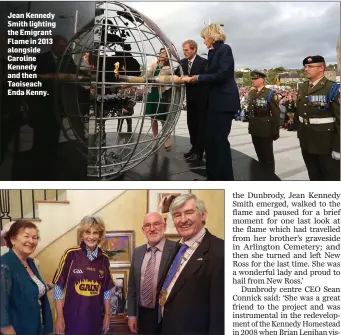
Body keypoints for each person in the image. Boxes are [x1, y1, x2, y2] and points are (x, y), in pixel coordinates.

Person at [158, 194, 224, 335]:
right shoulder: (177, 248)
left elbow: (220, 313)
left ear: (203, 215)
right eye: (177, 215)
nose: (183, 220)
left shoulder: (220, 251)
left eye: (189, 213)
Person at [181, 24, 240, 180]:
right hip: (213, 103)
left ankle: (225, 178)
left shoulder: (224, 49)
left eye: (204, 38)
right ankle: (213, 175)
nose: (204, 41)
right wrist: (189, 77)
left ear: (212, 36)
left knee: (219, 142)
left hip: (223, 103)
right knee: (211, 141)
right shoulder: (213, 53)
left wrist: (198, 78)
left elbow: (222, 74)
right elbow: (206, 74)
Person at [53, 216, 114, 335]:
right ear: (82, 234)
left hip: (95, 319)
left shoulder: (104, 258)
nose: (91, 237)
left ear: (100, 235)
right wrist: (59, 317)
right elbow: (58, 287)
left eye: (95, 232)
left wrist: (107, 315)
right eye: (87, 232)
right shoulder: (70, 254)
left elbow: (106, 290)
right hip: (72, 319)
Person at [0, 220, 53, 335]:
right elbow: (2, 306)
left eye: (35, 237)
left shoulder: (30, 263)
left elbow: (34, 292)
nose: (31, 241)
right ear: (13, 239)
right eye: (26, 236)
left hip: (36, 327)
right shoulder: (5, 265)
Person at [127, 212, 177, 335]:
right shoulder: (137, 252)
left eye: (156, 224)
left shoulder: (177, 249)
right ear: (143, 230)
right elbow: (132, 287)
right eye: (148, 225)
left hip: (168, 316)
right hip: (143, 315)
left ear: (164, 226)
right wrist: (132, 315)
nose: (152, 229)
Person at [296, 55, 340, 180]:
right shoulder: (303, 87)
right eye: (305, 66)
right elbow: (299, 113)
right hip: (307, 141)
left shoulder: (332, 88)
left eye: (310, 66)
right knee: (314, 176)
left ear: (321, 68)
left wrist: (338, 147)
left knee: (331, 178)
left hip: (326, 145)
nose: (306, 69)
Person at [176, 40, 208, 162]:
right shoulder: (182, 63)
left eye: (186, 50)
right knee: (191, 125)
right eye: (183, 50)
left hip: (201, 100)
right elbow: (176, 75)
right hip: (190, 100)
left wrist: (191, 79)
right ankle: (194, 148)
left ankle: (199, 151)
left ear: (194, 49)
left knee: (200, 126)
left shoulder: (203, 62)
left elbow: (205, 79)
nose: (184, 52)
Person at [247, 71, 280, 173]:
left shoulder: (269, 93)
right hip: (254, 127)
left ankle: (270, 176)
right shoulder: (252, 92)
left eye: (255, 79)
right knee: (259, 153)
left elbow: (275, 114)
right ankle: (262, 174)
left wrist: (275, 131)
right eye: (252, 79)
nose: (253, 81)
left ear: (262, 80)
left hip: (265, 128)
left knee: (267, 156)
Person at [145, 48, 172, 149]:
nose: (162, 54)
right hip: (152, 93)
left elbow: (160, 78)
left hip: (160, 94)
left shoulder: (167, 68)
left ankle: (167, 137)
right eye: (161, 52)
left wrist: (151, 74)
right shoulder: (153, 65)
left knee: (162, 117)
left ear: (168, 56)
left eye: (165, 53)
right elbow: (147, 76)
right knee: (153, 117)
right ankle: (155, 138)